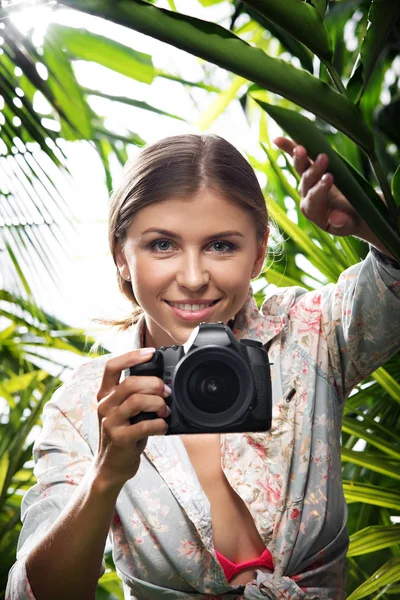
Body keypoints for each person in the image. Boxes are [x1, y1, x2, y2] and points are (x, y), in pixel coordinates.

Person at [6, 134, 400, 600]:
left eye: (220, 246)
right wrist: (105, 474)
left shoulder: (310, 335)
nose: (193, 279)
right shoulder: (85, 405)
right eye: (162, 245)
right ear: (121, 258)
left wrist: (372, 220)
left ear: (257, 253)